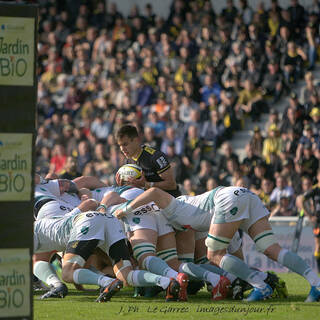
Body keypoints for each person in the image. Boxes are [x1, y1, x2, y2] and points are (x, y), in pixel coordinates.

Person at [114, 185, 320, 301]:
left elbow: (154, 192)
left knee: (215, 255)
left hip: (226, 198)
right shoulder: (191, 215)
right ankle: (316, 283)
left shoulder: (173, 207)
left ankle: (261, 285)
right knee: (270, 248)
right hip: (243, 194)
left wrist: (127, 209)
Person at [115, 124, 181, 197]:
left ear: (136, 140)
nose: (122, 149)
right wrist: (123, 185)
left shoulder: (155, 157)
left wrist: (146, 184)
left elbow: (172, 185)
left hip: (170, 201)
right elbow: (136, 189)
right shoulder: (128, 162)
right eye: (120, 145)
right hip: (149, 203)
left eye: (125, 144)